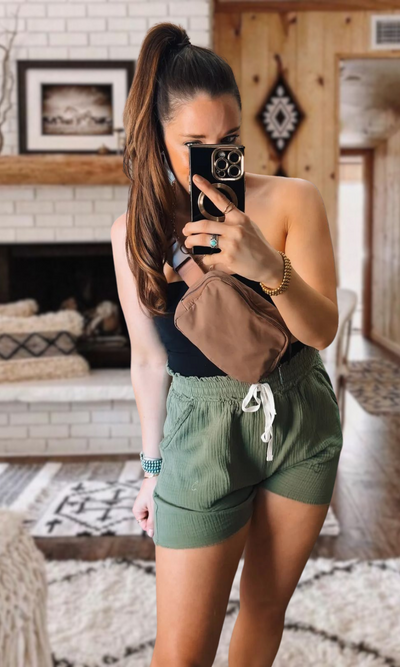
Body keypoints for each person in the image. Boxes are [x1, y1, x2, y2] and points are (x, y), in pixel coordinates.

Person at [110, 21, 343, 667]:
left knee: (265, 610)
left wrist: (268, 267)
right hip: (202, 433)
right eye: (196, 145)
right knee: (181, 653)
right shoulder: (134, 231)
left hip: (300, 417)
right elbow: (148, 360)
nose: (218, 158)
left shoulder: (295, 200)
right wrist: (151, 470)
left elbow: (321, 331)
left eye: (231, 140)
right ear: (157, 137)